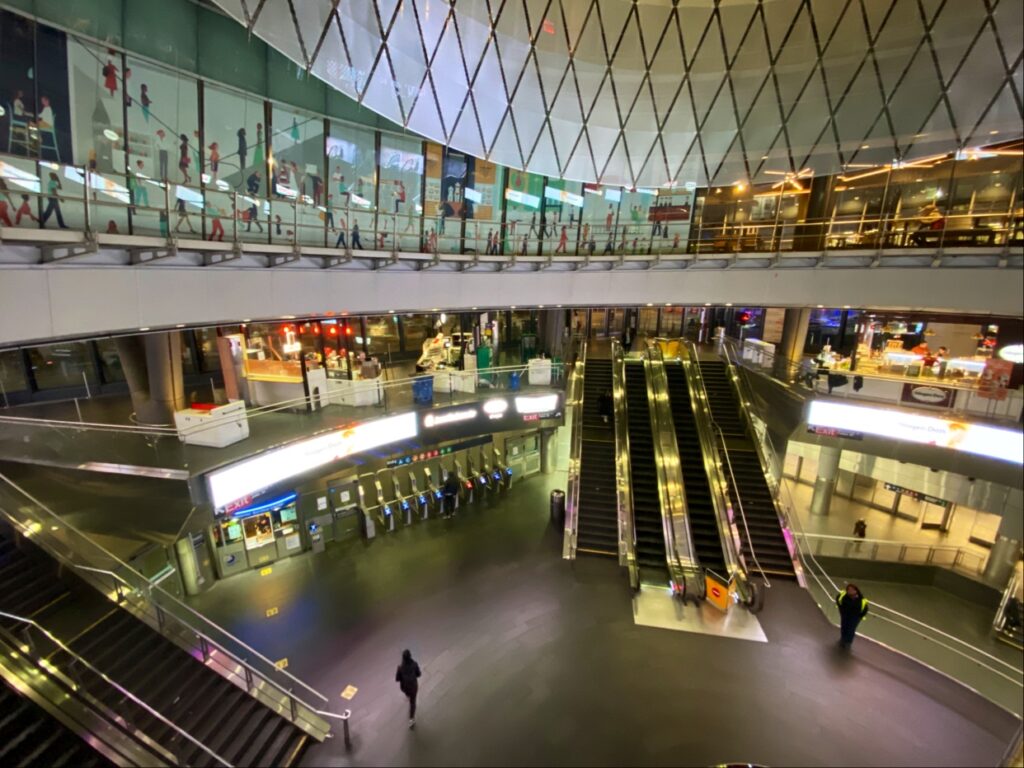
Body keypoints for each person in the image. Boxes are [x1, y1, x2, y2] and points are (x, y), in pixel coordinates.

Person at [836, 583, 868, 649]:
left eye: (852, 590)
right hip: (845, 615)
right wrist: (841, 609)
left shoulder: (861, 600)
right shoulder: (843, 595)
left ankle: (848, 642)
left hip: (855, 617)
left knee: (851, 629)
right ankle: (843, 639)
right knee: (844, 627)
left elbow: (865, 609)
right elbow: (838, 600)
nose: (850, 591)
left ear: (856, 591)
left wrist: (859, 616)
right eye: (848, 589)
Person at [395, 649, 422, 729]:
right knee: (412, 703)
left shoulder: (400, 668)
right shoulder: (414, 664)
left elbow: (397, 679)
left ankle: (407, 696)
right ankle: (411, 719)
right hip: (413, 687)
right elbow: (419, 674)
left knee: (408, 694)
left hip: (405, 688)